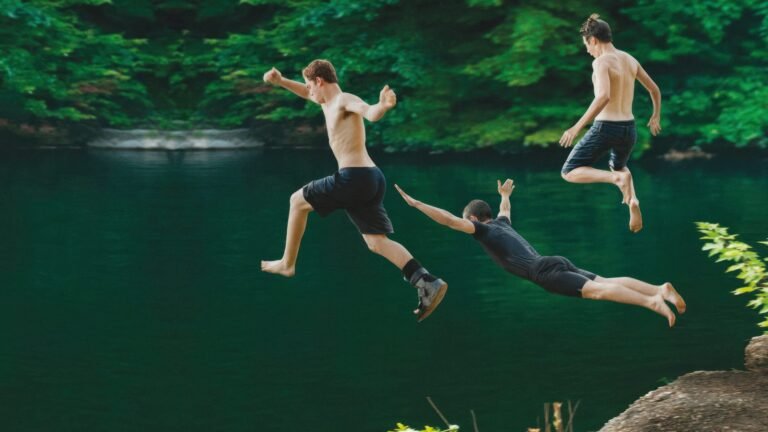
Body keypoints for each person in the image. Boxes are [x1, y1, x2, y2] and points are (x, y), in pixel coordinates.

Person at [260, 59, 447, 322]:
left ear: (319, 81)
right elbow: (306, 93)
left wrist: (382, 106)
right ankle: (425, 280)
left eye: (308, 84)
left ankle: (287, 263)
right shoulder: (326, 102)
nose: (307, 90)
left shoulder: (344, 100)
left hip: (354, 177)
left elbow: (368, 111)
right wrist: (280, 82)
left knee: (296, 201)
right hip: (371, 178)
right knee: (376, 242)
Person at [394, 179, 685, 327]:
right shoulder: (502, 223)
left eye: (466, 220)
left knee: (599, 290)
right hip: (554, 261)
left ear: (473, 219)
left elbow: (447, 219)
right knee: (606, 280)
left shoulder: (483, 230)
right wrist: (505, 196)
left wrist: (417, 204)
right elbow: (505, 209)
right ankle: (659, 288)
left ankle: (652, 302)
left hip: (543, 272)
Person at [559, 14, 663, 233]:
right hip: (629, 128)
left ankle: (614, 179)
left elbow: (603, 96)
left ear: (593, 40)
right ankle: (632, 200)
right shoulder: (629, 59)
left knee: (569, 171)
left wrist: (577, 127)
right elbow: (654, 89)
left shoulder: (601, 62)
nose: (587, 50)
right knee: (620, 166)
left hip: (606, 127)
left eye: (586, 45)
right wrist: (655, 116)